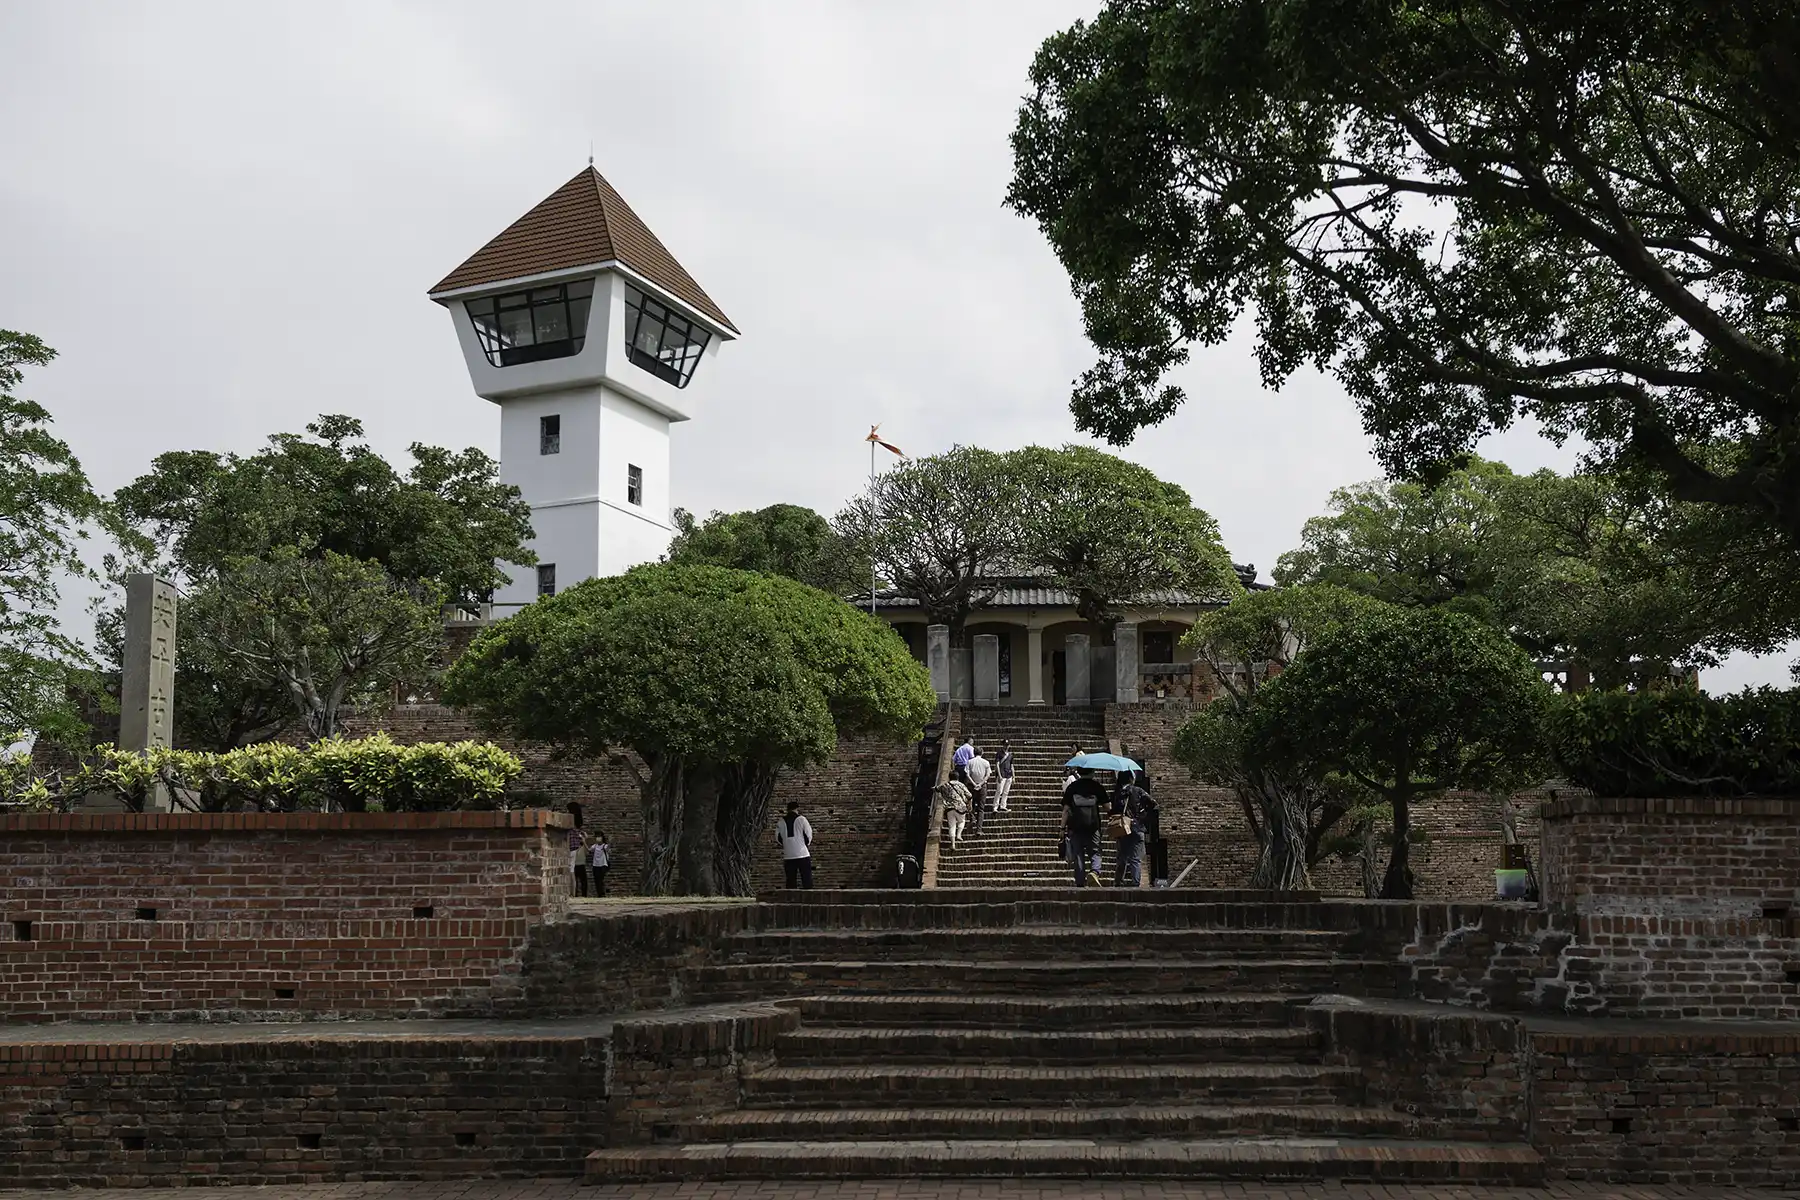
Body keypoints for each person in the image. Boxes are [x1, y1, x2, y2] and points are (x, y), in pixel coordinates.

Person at [1063, 768, 1107, 887]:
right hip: (1093, 825)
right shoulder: (1097, 786)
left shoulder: (1072, 787)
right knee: (1095, 852)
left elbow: (1066, 810)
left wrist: (1062, 828)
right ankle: (1094, 871)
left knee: (1078, 854)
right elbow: (1108, 807)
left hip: (1075, 826)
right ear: (1092, 772)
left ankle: (1080, 882)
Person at [1111, 776, 1149, 888]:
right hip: (1137, 827)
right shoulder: (1139, 791)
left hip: (1122, 827)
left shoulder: (1117, 794)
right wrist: (1142, 816)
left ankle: (1118, 882)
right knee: (1135, 858)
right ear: (1131, 779)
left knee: (1122, 857)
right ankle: (1135, 883)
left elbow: (1112, 810)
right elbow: (1153, 804)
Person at [777, 801, 815, 889]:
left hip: (788, 855)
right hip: (803, 854)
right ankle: (809, 898)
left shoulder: (781, 821)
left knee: (790, 881)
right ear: (797, 809)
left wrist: (787, 844)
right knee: (806, 879)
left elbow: (778, 838)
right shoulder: (802, 819)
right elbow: (808, 834)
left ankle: (790, 900)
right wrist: (804, 844)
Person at [937, 778, 972, 848]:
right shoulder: (961, 785)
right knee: (961, 821)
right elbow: (969, 795)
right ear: (958, 777)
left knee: (952, 826)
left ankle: (953, 844)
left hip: (949, 808)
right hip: (960, 807)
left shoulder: (945, 785)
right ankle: (959, 835)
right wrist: (970, 805)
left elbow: (936, 789)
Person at [566, 802, 590, 897]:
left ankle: (571, 892)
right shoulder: (578, 820)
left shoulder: (570, 819)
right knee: (572, 870)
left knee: (570, 871)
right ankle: (573, 893)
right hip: (575, 847)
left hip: (569, 846)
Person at [965, 747, 992, 833]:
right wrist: (980, 784)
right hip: (982, 786)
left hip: (971, 786)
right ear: (982, 753)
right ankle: (979, 829)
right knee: (981, 808)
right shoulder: (986, 762)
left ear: (973, 752)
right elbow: (987, 775)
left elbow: (967, 775)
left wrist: (974, 784)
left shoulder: (969, 762)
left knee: (970, 805)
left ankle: (972, 818)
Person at [993, 741, 1015, 812]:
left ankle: (1003, 805)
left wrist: (1014, 776)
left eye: (1007, 745)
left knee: (1006, 792)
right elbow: (997, 765)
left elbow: (1012, 766)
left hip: (1008, 775)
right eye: (1005, 745)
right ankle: (995, 806)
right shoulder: (999, 754)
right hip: (1002, 774)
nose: (1006, 746)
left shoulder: (1011, 755)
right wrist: (999, 775)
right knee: (999, 791)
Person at [589, 830, 611, 897]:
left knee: (601, 880)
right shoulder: (594, 846)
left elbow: (607, 848)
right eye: (597, 837)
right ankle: (599, 894)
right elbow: (589, 850)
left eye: (599, 837)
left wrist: (610, 842)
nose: (598, 838)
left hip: (603, 865)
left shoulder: (604, 845)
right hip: (595, 865)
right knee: (596, 880)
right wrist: (584, 842)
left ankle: (602, 894)